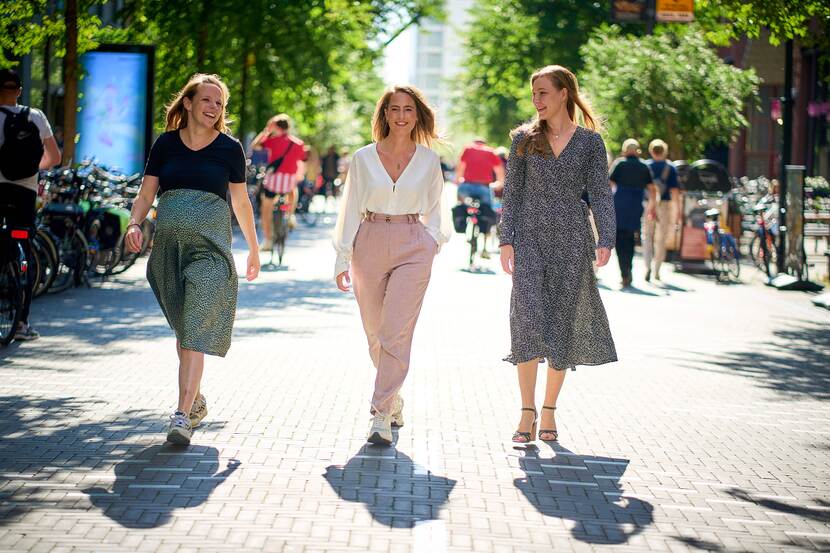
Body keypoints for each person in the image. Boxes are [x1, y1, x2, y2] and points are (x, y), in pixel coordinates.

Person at [125, 73, 260, 445]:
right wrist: (134, 223)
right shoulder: (166, 144)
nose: (214, 108)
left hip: (210, 251)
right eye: (207, 100)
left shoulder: (230, 148)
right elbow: (146, 190)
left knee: (196, 328)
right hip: (168, 252)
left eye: (220, 103)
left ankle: (182, 415)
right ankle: (195, 396)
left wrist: (253, 247)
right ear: (188, 103)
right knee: (186, 332)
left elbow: (241, 201)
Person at [498, 65, 617, 444]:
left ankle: (549, 409)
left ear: (564, 93)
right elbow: (512, 194)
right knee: (528, 319)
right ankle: (526, 410)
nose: (537, 100)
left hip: (572, 240)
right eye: (534, 94)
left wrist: (606, 238)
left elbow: (599, 193)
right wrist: (506, 239)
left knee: (562, 324)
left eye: (543, 92)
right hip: (529, 238)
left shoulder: (590, 143)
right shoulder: (523, 139)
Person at [333, 85, 451, 446]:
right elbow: (350, 207)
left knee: (396, 331)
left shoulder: (429, 161)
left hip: (414, 244)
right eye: (394, 109)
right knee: (375, 334)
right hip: (369, 239)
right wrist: (342, 256)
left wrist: (431, 241)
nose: (401, 115)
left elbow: (437, 208)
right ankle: (393, 396)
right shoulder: (363, 158)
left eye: (408, 110)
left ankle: (380, 413)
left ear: (418, 116)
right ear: (384, 114)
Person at [0, 68, 61, 341]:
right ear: (19, 91)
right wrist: (34, 172)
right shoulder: (35, 116)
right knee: (23, 245)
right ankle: (22, 323)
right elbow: (55, 157)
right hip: (25, 192)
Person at [250, 114, 306, 246]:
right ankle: (291, 214)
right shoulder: (298, 143)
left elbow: (255, 145)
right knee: (293, 189)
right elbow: (302, 161)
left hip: (273, 181)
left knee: (266, 209)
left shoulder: (272, 141)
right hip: (289, 182)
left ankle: (268, 240)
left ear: (276, 127)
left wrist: (266, 131)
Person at [609, 138, 655, 288]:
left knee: (619, 239)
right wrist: (652, 207)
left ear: (625, 149)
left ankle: (625, 273)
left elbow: (608, 184)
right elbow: (652, 189)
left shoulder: (620, 164)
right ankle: (629, 269)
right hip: (636, 205)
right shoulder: (643, 166)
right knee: (630, 238)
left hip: (620, 204)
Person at [455, 138, 504, 258]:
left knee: (460, 204)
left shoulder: (468, 149)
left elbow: (460, 168)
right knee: (488, 211)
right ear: (484, 143)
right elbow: (500, 173)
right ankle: (484, 232)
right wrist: (497, 184)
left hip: (466, 186)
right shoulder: (490, 151)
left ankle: (462, 220)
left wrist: (459, 181)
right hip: (484, 187)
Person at [643, 139, 681, 281]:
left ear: (652, 151)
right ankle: (657, 269)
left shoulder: (646, 166)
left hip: (648, 204)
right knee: (661, 238)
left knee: (647, 236)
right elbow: (675, 191)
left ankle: (647, 266)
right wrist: (678, 210)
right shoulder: (670, 168)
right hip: (664, 205)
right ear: (664, 151)